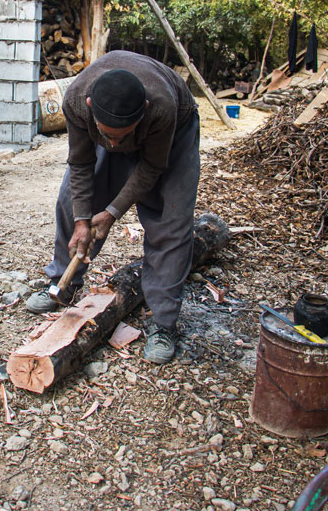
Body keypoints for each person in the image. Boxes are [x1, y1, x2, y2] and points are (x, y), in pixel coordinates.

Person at [24, 50, 200, 364]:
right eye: (108, 136)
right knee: (71, 201)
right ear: (91, 108)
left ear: (143, 111)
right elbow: (80, 164)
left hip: (174, 133)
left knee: (170, 221)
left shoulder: (161, 107)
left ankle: (163, 323)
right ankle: (62, 282)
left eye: (122, 137)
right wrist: (83, 219)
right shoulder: (77, 101)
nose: (115, 146)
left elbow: (151, 167)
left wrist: (113, 212)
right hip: (116, 122)